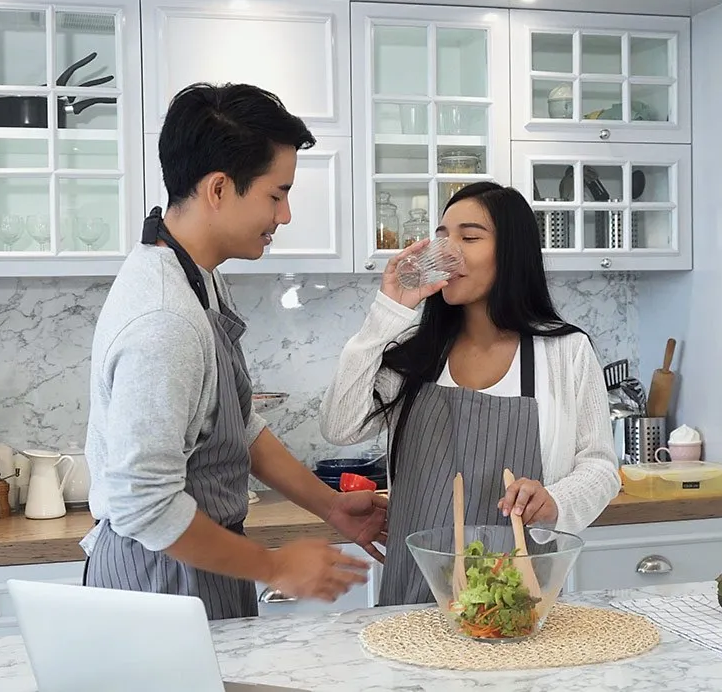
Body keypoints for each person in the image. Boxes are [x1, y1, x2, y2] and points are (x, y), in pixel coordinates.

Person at [80, 82, 387, 620]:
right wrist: (274, 567)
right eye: (276, 194)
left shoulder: (196, 276)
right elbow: (143, 505)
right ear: (219, 189)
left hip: (198, 567)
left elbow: (236, 425)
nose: (285, 215)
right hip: (158, 584)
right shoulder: (164, 319)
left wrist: (331, 506)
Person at [319, 181, 620, 606]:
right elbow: (339, 425)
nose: (448, 250)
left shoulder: (564, 350)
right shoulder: (415, 349)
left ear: (511, 253)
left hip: (519, 598)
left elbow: (601, 468)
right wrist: (389, 310)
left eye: (469, 237)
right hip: (413, 595)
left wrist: (553, 500)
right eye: (442, 237)